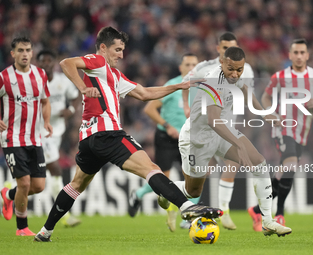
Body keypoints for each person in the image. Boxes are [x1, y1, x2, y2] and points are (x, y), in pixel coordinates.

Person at [34, 26, 222, 242]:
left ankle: (45, 232)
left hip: (89, 139)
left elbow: (144, 93)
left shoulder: (114, 75)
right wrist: (82, 87)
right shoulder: (98, 62)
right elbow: (66, 63)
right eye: (117, 49)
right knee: (151, 169)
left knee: (76, 185)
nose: (121, 55)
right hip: (107, 133)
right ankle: (188, 207)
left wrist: (181, 85)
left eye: (123, 50)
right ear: (103, 48)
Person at [175, 46, 292, 237]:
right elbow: (213, 120)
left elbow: (246, 92)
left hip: (222, 130)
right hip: (197, 138)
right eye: (231, 69)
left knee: (260, 163)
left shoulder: (238, 75)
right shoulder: (214, 82)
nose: (235, 74)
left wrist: (266, 114)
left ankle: (268, 221)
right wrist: (239, 146)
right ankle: (167, 189)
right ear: (222, 62)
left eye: (239, 69)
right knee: (192, 191)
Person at [248, 38, 313, 231]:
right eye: (295, 52)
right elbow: (266, 96)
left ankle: (257, 209)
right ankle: (280, 214)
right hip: (282, 127)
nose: (299, 56)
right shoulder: (280, 76)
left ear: (307, 55)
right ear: (290, 55)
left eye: (302, 52)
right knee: (290, 162)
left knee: (286, 171)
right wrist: (268, 112)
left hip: (302, 131)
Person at [182, 32, 254, 229]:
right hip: (205, 129)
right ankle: (181, 203)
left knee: (232, 164)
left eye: (231, 46)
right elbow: (186, 84)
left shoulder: (245, 70)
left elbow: (247, 95)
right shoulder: (205, 68)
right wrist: (187, 108)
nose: (227, 50)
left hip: (226, 128)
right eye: (224, 47)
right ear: (219, 50)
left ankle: (224, 211)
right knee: (199, 178)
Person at [128, 53, 199, 232]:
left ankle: (188, 218)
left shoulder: (201, 89)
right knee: (163, 179)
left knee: (195, 178)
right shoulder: (172, 86)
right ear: (180, 68)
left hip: (188, 139)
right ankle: (137, 195)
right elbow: (149, 109)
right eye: (188, 64)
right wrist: (167, 126)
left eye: (194, 65)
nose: (191, 68)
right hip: (167, 139)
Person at [0, 36, 53, 236]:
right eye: (20, 50)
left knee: (38, 186)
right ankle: (22, 227)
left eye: (28, 50)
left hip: (35, 138)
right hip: (12, 138)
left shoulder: (40, 75)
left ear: (32, 52)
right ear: (13, 53)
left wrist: (46, 122)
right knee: (24, 183)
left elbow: (45, 101)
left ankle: (8, 194)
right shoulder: (4, 77)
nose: (24, 54)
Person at [36, 49, 82, 227]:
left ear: (54, 63)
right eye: (43, 61)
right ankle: (65, 216)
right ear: (38, 64)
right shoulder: (33, 82)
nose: (46, 64)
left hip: (57, 131)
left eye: (49, 61)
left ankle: (7, 194)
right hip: (39, 132)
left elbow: (76, 94)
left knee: (34, 175)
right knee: (55, 169)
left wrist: (70, 110)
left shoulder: (62, 81)